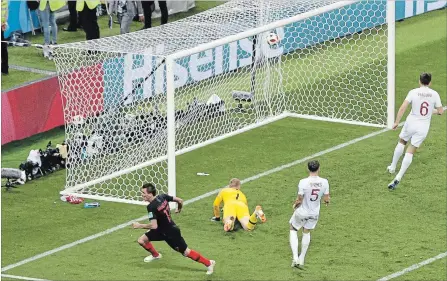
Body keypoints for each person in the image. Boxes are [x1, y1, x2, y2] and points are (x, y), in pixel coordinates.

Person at [132, 183, 216, 275]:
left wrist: (139, 225)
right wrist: (179, 208)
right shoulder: (162, 196)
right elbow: (180, 200)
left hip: (171, 233)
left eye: (143, 193)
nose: (142, 194)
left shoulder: (151, 207)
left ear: (150, 193)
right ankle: (156, 255)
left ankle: (209, 263)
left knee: (186, 252)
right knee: (141, 240)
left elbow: (153, 226)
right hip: (160, 230)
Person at [387, 73, 443, 190]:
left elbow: (403, 107)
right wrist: (430, 112)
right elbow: (440, 111)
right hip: (423, 127)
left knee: (402, 141)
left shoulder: (413, 92)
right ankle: (398, 177)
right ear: (430, 82)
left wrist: (397, 122)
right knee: (411, 150)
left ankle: (392, 167)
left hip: (411, 122)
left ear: (419, 81)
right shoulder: (434, 94)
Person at [289, 160, 330, 268]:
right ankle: (302, 258)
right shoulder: (325, 182)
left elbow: (300, 198)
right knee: (306, 232)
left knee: (293, 228)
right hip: (314, 212)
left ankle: (295, 257)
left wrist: (295, 205)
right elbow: (326, 198)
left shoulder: (303, 182)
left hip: (302, 211)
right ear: (319, 168)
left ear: (308, 169)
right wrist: (326, 202)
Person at [1, 0, 8, 75]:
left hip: (1, 27)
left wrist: (4, 23)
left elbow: (6, 12)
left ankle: (5, 69)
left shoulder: (5, 1)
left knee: (3, 48)